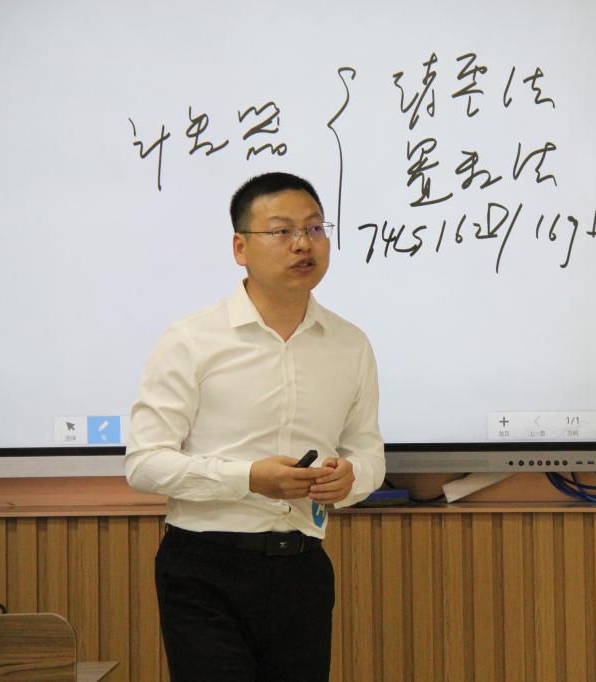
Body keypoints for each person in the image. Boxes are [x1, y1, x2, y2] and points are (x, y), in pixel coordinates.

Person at [125, 171, 385, 682]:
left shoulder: (350, 344)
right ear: (240, 248)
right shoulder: (192, 340)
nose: (302, 244)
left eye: (314, 228)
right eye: (282, 231)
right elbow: (145, 463)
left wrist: (351, 478)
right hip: (205, 568)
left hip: (303, 567)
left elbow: (369, 452)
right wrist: (248, 478)